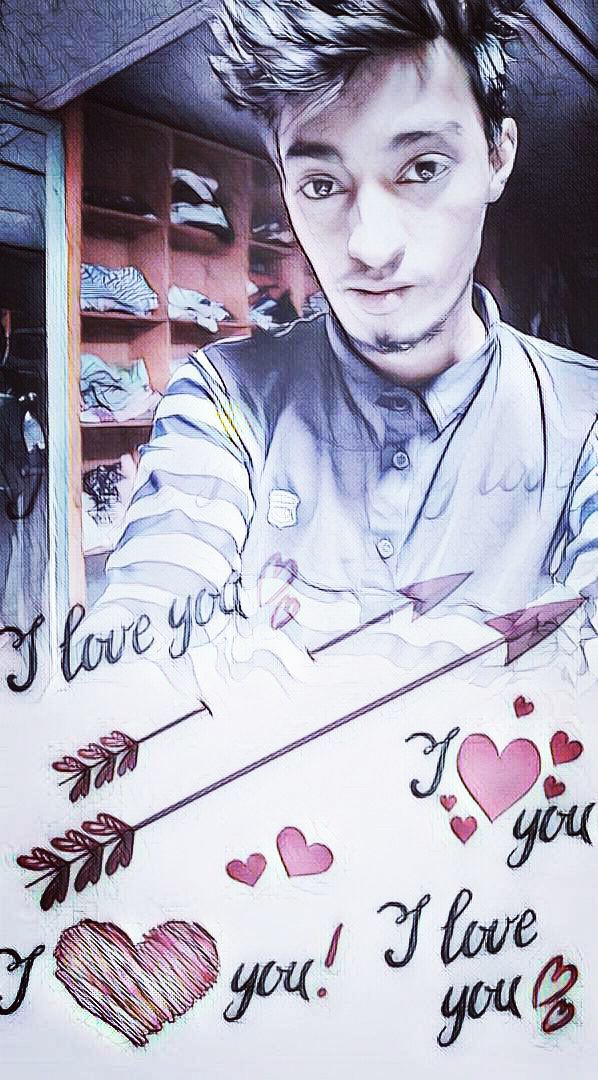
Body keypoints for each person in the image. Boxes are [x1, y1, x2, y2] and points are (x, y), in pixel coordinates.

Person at [94, 0, 597, 660]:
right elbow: (140, 645)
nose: (371, 246)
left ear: (497, 156)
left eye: (423, 168)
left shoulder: (586, 417)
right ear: (285, 185)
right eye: (321, 185)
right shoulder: (223, 398)